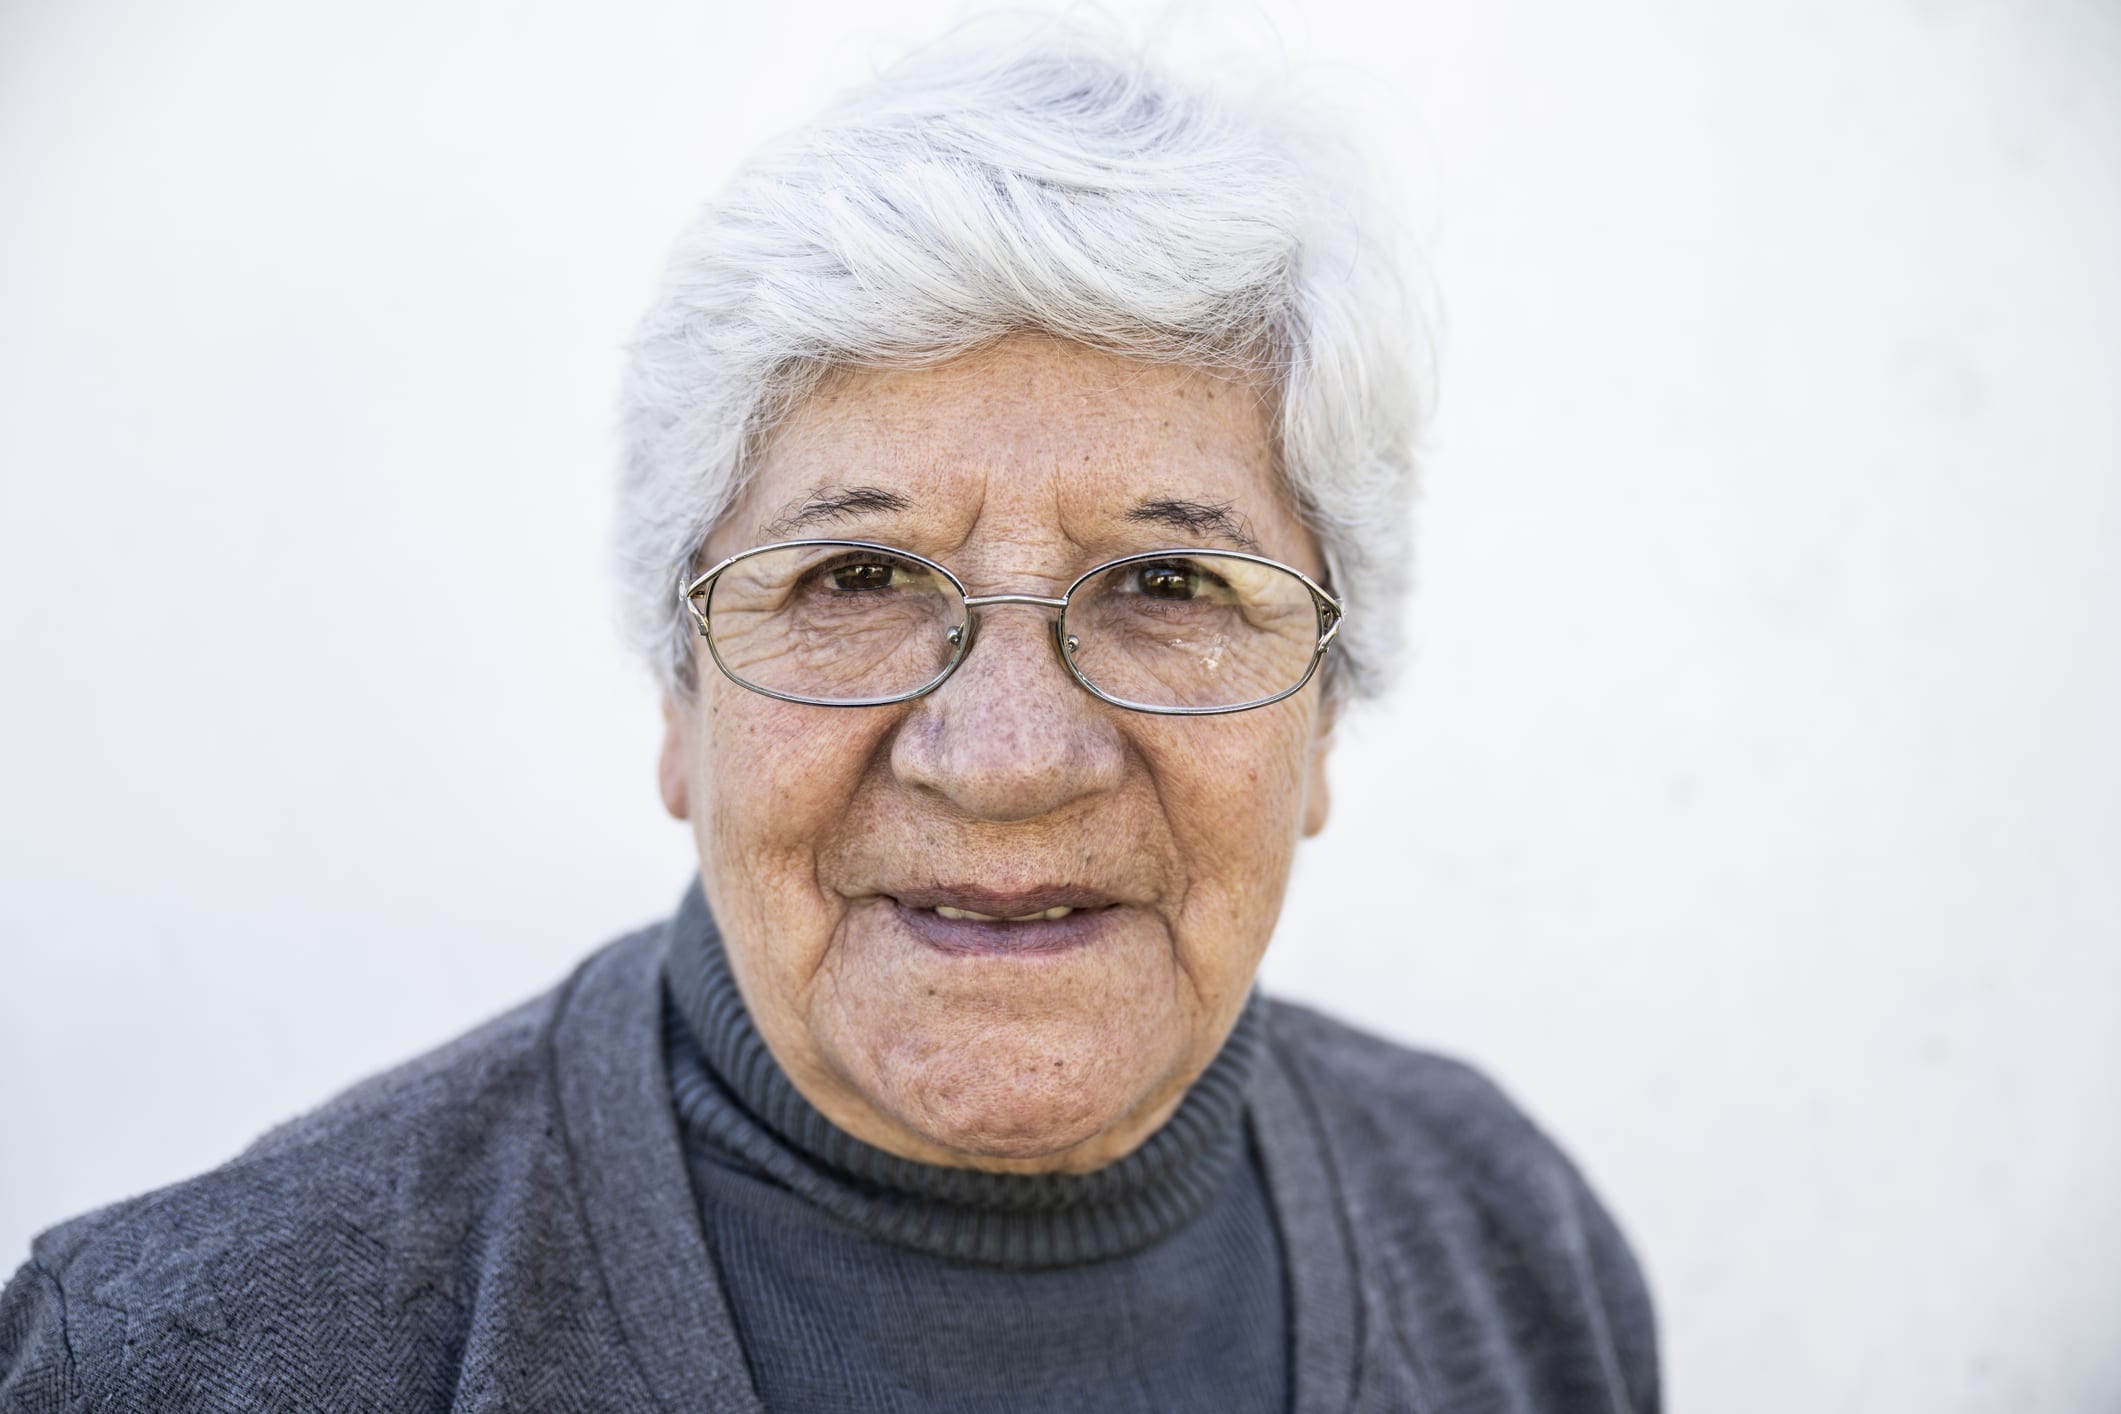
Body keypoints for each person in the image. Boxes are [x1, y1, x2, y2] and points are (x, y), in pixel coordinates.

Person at [0, 28, 1658, 1414]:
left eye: (1168, 584)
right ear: (679, 697)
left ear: (1326, 723)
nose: (1008, 758)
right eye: (857, 573)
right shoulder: (180, 1356)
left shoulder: (1513, 1247)